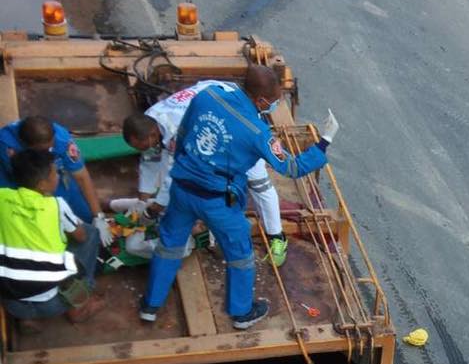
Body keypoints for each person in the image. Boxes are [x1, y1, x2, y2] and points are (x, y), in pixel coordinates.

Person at [139, 65, 338, 330]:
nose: (275, 105)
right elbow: (291, 167)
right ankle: (241, 313)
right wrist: (323, 142)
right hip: (218, 201)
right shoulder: (257, 132)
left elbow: (182, 136)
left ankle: (150, 306)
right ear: (261, 100)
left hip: (182, 189)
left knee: (169, 245)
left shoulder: (208, 96)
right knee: (240, 254)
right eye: (274, 101)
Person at [122, 80, 289, 266]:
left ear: (152, 135)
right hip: (210, 114)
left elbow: (172, 175)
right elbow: (149, 160)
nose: (144, 150)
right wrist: (143, 200)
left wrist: (154, 210)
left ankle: (277, 237)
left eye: (143, 145)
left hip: (233, 116)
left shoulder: (175, 130)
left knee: (257, 182)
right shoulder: (149, 120)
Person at [0, 149, 102, 327]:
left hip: (11, 302)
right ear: (42, 184)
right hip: (53, 304)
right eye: (55, 173)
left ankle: (26, 319)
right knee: (90, 233)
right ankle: (77, 308)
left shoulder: (2, 197)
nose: (58, 176)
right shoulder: (56, 205)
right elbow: (81, 236)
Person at [0, 116, 113, 249]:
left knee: (86, 216)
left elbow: (82, 176)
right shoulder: (7, 145)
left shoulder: (62, 139)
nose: (50, 150)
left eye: (52, 146)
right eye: (44, 150)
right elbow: (29, 184)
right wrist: (62, 216)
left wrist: (98, 216)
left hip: (51, 176)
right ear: (28, 146)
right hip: (17, 182)